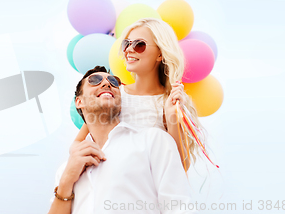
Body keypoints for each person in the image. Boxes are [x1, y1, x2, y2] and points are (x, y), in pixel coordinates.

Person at [48, 67, 195, 214]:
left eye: (113, 81)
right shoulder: (65, 170)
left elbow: (179, 207)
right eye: (95, 81)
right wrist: (66, 181)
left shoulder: (154, 141)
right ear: (79, 102)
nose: (106, 84)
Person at [71, 18, 203, 170]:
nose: (128, 50)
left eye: (139, 45)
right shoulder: (114, 94)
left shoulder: (171, 103)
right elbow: (77, 143)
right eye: (126, 43)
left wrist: (172, 117)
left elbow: (179, 169)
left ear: (160, 54)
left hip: (144, 190)